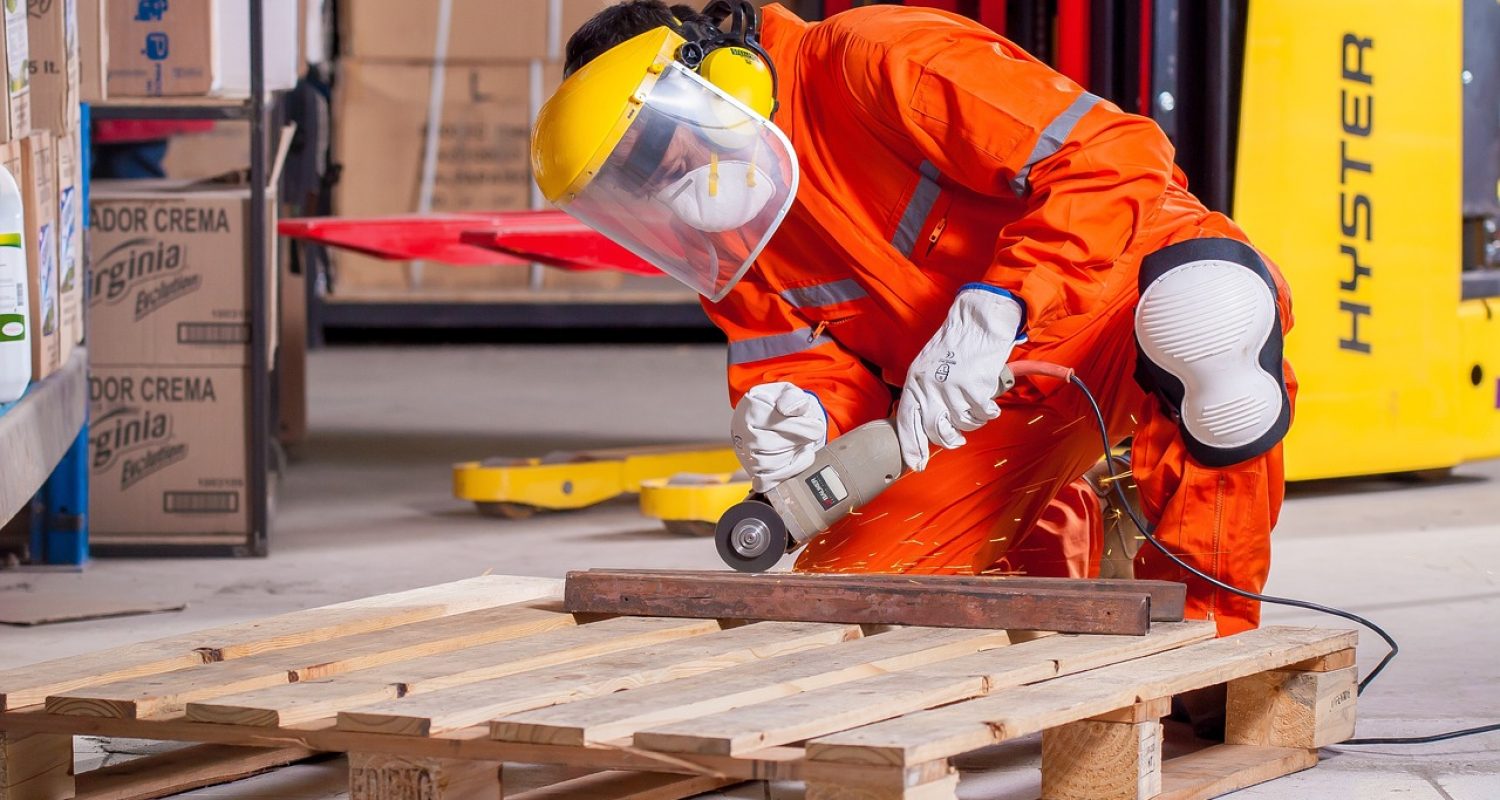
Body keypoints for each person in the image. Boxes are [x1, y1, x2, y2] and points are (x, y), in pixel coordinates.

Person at [532, 0, 1296, 638]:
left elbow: (1117, 154)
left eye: (661, 151)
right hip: (986, 405)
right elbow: (808, 365)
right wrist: (796, 417)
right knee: (846, 613)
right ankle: (1079, 538)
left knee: (1209, 321)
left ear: (720, 79)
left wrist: (1004, 298)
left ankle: (1210, 649)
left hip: (1119, 299)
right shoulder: (731, 233)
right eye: (638, 181)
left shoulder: (875, 58)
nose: (668, 190)